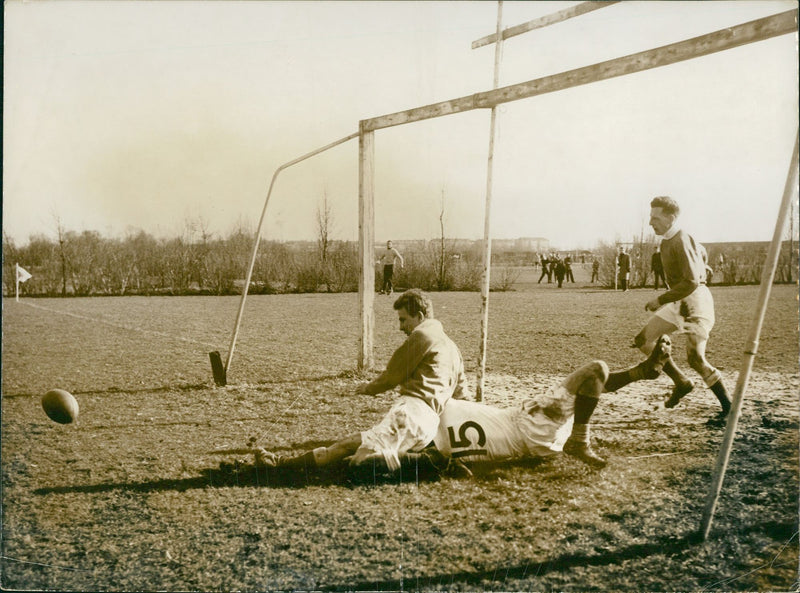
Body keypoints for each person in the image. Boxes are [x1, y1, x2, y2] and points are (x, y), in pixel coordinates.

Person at [253, 325, 673, 473]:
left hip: (524, 425)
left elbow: (353, 447)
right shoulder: (429, 439)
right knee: (595, 370)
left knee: (593, 376)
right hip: (527, 427)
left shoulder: (423, 427)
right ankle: (633, 381)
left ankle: (590, 427)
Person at [255, 289, 469, 472]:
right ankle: (282, 463)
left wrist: (366, 389)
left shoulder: (423, 335)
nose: (401, 327)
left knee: (357, 458)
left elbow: (391, 376)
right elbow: (462, 394)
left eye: (403, 319)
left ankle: (279, 466)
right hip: (430, 424)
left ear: (420, 315)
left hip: (410, 414)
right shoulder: (452, 347)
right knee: (351, 450)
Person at [634, 196, 732, 422]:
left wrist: (660, 299)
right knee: (643, 341)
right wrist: (702, 262)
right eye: (650, 217)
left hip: (695, 302)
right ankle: (681, 382)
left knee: (695, 359)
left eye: (655, 218)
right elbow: (701, 255)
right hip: (679, 301)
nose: (651, 222)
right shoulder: (668, 239)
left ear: (671, 218)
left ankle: (729, 407)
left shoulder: (681, 238)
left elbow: (691, 282)